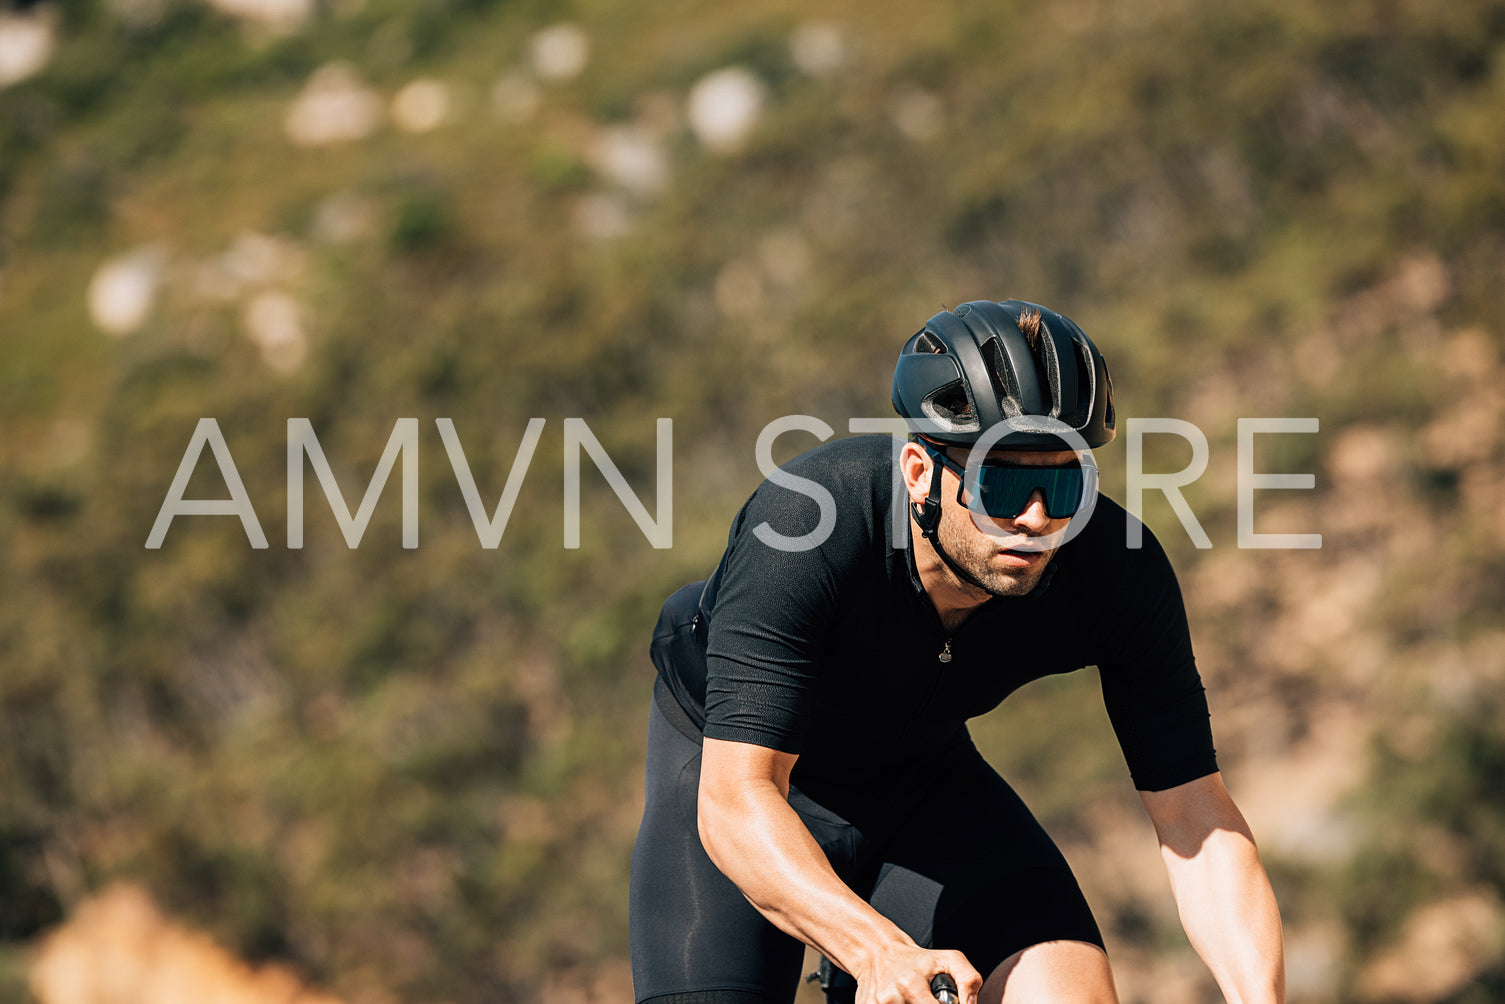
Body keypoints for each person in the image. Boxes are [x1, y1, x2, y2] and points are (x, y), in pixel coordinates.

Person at [629, 299, 1285, 1004]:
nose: (1035, 518)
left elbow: (1196, 820)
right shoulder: (803, 525)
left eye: (1063, 484)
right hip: (737, 772)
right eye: (1001, 483)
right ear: (918, 472)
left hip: (918, 780)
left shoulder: (1113, 570)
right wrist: (876, 950)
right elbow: (735, 799)